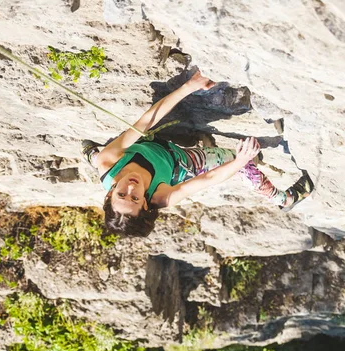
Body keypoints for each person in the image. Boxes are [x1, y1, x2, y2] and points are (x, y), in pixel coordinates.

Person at [82, 70, 314, 237]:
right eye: (134, 198)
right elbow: (209, 178)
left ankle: (91, 156)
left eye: (122, 194)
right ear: (144, 204)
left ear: (110, 193)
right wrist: (241, 159)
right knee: (236, 163)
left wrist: (188, 87)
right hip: (179, 163)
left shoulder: (110, 161)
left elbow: (145, 122)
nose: (131, 188)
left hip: (145, 145)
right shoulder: (162, 197)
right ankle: (284, 199)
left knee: (103, 156)